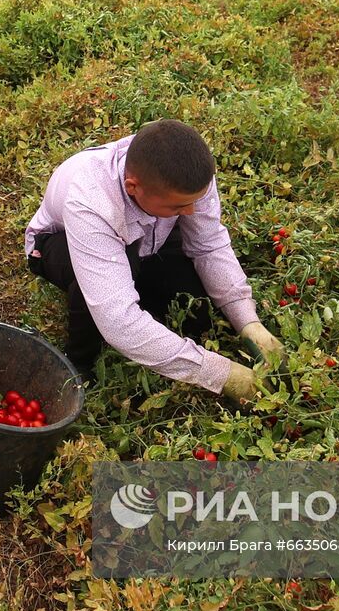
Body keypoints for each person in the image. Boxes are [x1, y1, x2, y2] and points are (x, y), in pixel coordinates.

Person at [25, 119, 285, 400]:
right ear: (133, 187)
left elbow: (209, 245)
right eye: (178, 206)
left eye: (195, 201)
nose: (191, 212)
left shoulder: (187, 174)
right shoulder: (91, 202)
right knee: (106, 291)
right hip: (61, 244)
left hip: (149, 240)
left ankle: (145, 299)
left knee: (198, 310)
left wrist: (247, 320)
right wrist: (218, 373)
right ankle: (78, 363)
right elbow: (118, 321)